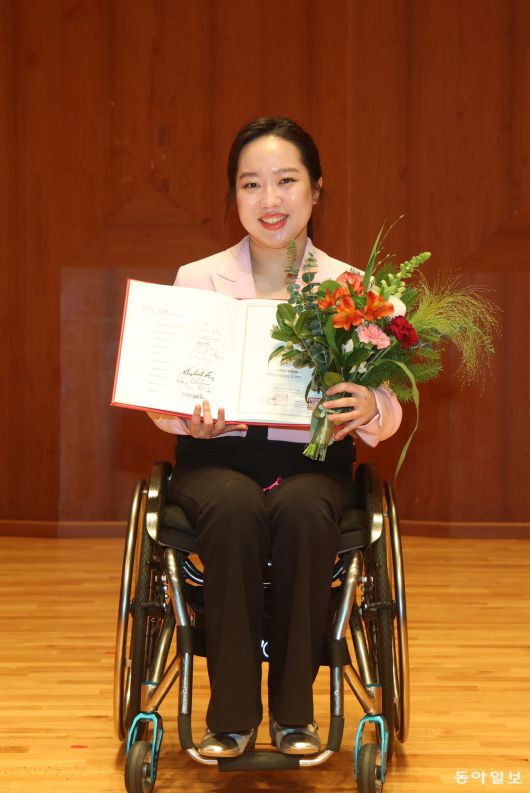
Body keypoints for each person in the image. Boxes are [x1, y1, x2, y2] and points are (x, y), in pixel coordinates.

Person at [148, 116, 402, 758]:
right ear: (233, 197)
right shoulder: (196, 279)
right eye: (251, 184)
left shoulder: (358, 289)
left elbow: (393, 409)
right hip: (217, 460)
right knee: (232, 508)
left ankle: (295, 715)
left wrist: (368, 403)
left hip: (313, 467)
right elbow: (162, 395)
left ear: (316, 190)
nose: (270, 200)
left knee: (302, 511)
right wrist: (184, 417)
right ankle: (230, 718)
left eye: (286, 181)